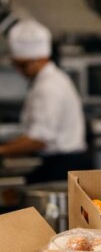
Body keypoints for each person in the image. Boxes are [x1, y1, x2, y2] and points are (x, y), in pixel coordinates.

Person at [0, 19, 87, 183]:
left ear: (36, 60)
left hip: (61, 166)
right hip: (61, 163)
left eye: (22, 66)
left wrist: (3, 150)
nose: (19, 72)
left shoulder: (49, 87)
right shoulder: (51, 79)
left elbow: (39, 139)